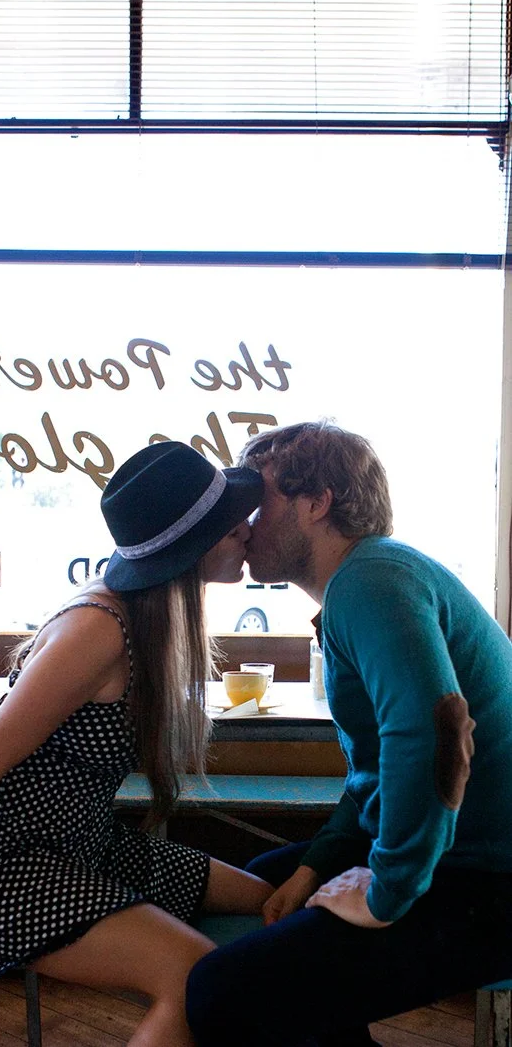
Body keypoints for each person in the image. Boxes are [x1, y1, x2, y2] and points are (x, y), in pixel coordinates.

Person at [0, 440, 273, 1047]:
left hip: (85, 847)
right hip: (1, 872)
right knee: (194, 977)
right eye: (232, 527)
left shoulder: (152, 619)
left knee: (271, 901)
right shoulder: (99, 629)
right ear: (191, 550)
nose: (247, 532)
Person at [186, 420, 512, 1047]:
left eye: (260, 502)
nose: (245, 525)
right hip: (456, 856)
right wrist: (318, 866)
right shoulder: (368, 580)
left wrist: (385, 892)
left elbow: (436, 734)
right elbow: (375, 773)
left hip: (487, 880)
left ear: (316, 502)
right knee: (262, 884)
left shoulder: (371, 580)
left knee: (222, 991)